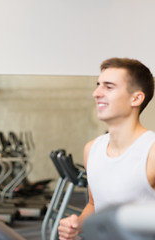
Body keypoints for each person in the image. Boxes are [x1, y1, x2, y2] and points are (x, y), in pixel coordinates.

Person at [58, 58, 155, 240]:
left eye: (108, 87)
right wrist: (77, 224)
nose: (96, 93)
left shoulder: (151, 152)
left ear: (136, 98)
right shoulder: (92, 149)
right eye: (98, 85)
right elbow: (94, 205)